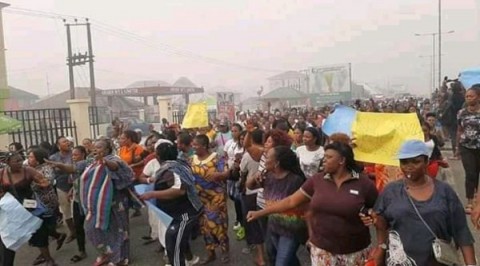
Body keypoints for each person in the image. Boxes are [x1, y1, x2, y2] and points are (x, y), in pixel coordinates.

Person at [248, 141, 377, 265]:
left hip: (354, 250)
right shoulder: (317, 180)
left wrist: (371, 216)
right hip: (322, 250)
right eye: (324, 156)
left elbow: (378, 211)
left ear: (342, 161)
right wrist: (260, 213)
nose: (324, 159)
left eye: (329, 157)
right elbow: (291, 201)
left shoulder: (364, 183)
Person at [364, 140, 476, 265]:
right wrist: (374, 220)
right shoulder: (391, 191)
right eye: (404, 162)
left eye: (416, 162)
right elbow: (382, 225)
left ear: (426, 162)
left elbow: (461, 231)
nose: (409, 167)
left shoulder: (444, 192)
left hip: (437, 262)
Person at [139, 142, 203, 266]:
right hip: (174, 214)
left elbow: (179, 191)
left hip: (184, 214)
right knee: (172, 243)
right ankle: (188, 259)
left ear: (158, 156)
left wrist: (152, 194)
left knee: (175, 245)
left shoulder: (173, 169)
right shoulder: (176, 165)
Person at [246, 146, 307, 266]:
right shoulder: (268, 176)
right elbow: (249, 186)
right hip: (273, 226)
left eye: (267, 157)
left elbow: (287, 204)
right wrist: (255, 175)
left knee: (281, 263)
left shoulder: (295, 181)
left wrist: (260, 213)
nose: (264, 159)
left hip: (290, 230)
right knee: (284, 258)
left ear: (276, 163)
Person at [80, 139, 133, 266]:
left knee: (120, 229)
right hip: (98, 203)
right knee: (91, 228)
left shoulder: (115, 160)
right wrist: (59, 165)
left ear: (107, 149)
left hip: (116, 201)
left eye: (99, 147)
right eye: (95, 147)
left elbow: (115, 167)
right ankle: (106, 254)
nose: (95, 149)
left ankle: (121, 258)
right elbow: (76, 169)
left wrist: (104, 161)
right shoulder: (91, 161)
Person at [0, 152, 58, 266]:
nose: (20, 163)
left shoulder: (28, 170)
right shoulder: (2, 174)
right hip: (11, 208)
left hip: (29, 203)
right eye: (16, 161)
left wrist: (43, 184)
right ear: (8, 163)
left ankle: (48, 259)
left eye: (21, 160)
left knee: (39, 231)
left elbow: (44, 181)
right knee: (8, 236)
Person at [191, 134, 230, 264]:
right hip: (200, 199)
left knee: (217, 223)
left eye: (196, 145)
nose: (193, 146)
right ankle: (211, 253)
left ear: (204, 146)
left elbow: (226, 173)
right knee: (205, 227)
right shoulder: (192, 159)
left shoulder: (216, 158)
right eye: (193, 144)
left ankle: (224, 250)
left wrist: (219, 175)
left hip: (216, 197)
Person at [46, 146, 89, 263]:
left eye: (76, 155)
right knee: (78, 226)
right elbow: (75, 180)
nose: (74, 157)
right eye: (73, 155)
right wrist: (72, 191)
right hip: (77, 199)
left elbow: (70, 169)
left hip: (88, 200)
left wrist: (57, 164)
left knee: (93, 226)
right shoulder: (77, 165)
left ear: (83, 154)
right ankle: (81, 250)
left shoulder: (85, 163)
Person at [27, 148, 67, 265]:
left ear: (38, 160)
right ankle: (55, 239)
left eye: (31, 157)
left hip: (46, 203)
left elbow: (47, 181)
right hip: (33, 202)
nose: (28, 159)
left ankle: (46, 254)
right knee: (39, 228)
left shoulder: (45, 169)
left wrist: (30, 182)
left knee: (42, 228)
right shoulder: (31, 169)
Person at [455, 86, 480, 213]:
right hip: (466, 146)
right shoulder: (461, 113)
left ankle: (478, 199)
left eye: (471, 96)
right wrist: (457, 147)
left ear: (478, 97)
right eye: (467, 96)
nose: (468, 98)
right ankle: (470, 201)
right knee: (470, 174)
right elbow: (459, 130)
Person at [49, 136, 76, 242]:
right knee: (66, 211)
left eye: (67, 141)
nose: (67, 143)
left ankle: (80, 230)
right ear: (58, 146)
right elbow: (52, 172)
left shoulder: (75, 153)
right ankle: (72, 232)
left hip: (76, 184)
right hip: (62, 186)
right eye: (64, 142)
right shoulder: (53, 157)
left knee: (78, 210)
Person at [224, 123, 245, 234]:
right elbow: (226, 156)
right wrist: (226, 167)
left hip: (240, 175)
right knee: (231, 194)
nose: (233, 133)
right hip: (230, 174)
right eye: (232, 130)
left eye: (235, 130)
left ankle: (240, 219)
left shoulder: (244, 145)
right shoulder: (229, 143)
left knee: (238, 197)